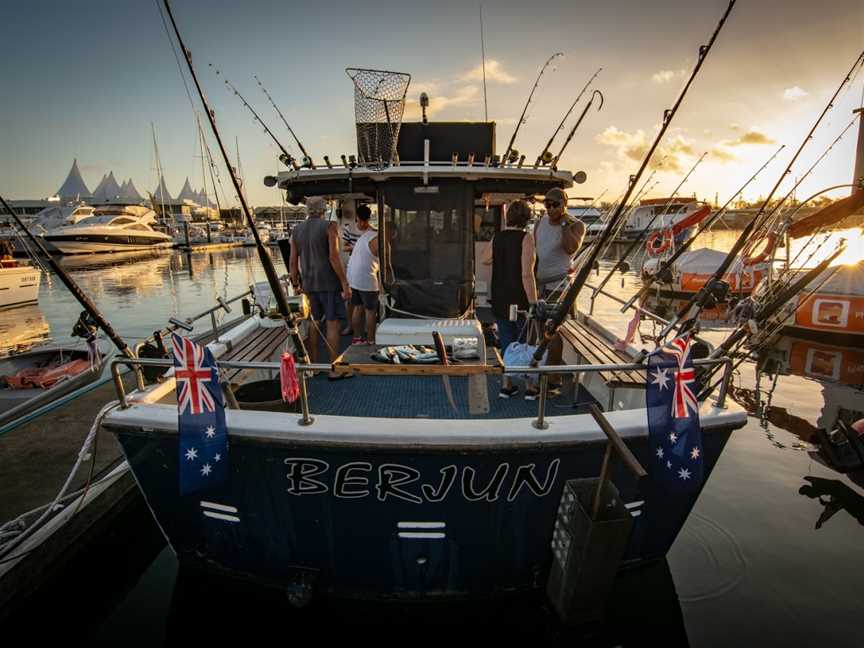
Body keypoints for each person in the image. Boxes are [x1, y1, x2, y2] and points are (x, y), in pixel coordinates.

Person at [480, 200, 539, 400]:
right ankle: (530, 386)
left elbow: (484, 259)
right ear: (527, 218)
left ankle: (507, 385)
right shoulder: (526, 238)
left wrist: (502, 254)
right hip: (520, 298)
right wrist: (534, 302)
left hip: (500, 296)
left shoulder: (498, 237)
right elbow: (526, 274)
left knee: (507, 339)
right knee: (526, 341)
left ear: (508, 217)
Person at [289, 196, 352, 379]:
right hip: (329, 284)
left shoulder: (297, 230)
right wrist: (344, 282)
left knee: (313, 324)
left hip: (308, 285)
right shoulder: (330, 226)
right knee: (332, 323)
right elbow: (334, 257)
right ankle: (335, 369)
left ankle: (314, 367)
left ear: (308, 210)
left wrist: (295, 284)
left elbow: (293, 261)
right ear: (323, 209)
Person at [533, 187, 585, 396]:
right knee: (540, 331)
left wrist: (564, 225)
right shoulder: (539, 223)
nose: (551, 208)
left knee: (552, 332)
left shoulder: (576, 224)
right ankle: (543, 373)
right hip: (540, 285)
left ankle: (554, 378)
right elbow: (535, 254)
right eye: (547, 204)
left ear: (565, 203)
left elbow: (571, 248)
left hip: (559, 287)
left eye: (555, 204)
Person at [345, 204, 379, 344]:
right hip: (365, 278)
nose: (359, 223)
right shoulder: (375, 237)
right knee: (370, 311)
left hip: (353, 277)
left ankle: (357, 339)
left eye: (360, 221)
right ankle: (370, 340)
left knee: (358, 307)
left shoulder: (366, 236)